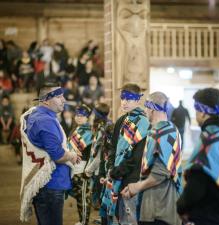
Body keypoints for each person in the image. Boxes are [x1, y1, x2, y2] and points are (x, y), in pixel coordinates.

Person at [20, 81, 80, 225]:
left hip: (48, 186)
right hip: (50, 186)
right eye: (59, 97)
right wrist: (72, 155)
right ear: (46, 100)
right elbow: (58, 156)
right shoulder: (45, 121)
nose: (64, 100)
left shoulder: (35, 114)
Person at [121, 92, 182, 225]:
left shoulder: (163, 133)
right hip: (156, 206)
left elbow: (161, 173)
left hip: (160, 209)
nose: (145, 110)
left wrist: (136, 187)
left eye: (146, 107)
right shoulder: (168, 130)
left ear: (152, 109)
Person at [101, 83, 150, 225]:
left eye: (129, 99)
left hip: (131, 178)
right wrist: (110, 168)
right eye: (122, 98)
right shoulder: (121, 121)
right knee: (116, 216)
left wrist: (117, 171)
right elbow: (113, 148)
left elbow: (137, 157)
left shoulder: (144, 123)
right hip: (115, 175)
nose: (124, 102)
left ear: (138, 100)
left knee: (129, 218)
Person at [176, 88, 219, 225]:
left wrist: (181, 207)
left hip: (209, 215)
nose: (196, 114)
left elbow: (197, 185)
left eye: (196, 110)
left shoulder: (209, 141)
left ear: (203, 112)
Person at [67, 104, 93, 225]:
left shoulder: (89, 131)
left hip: (82, 169)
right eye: (77, 115)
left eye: (82, 116)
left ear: (88, 117)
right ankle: (82, 220)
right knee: (79, 197)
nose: (79, 118)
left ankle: (84, 222)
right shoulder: (76, 128)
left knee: (83, 198)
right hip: (73, 167)